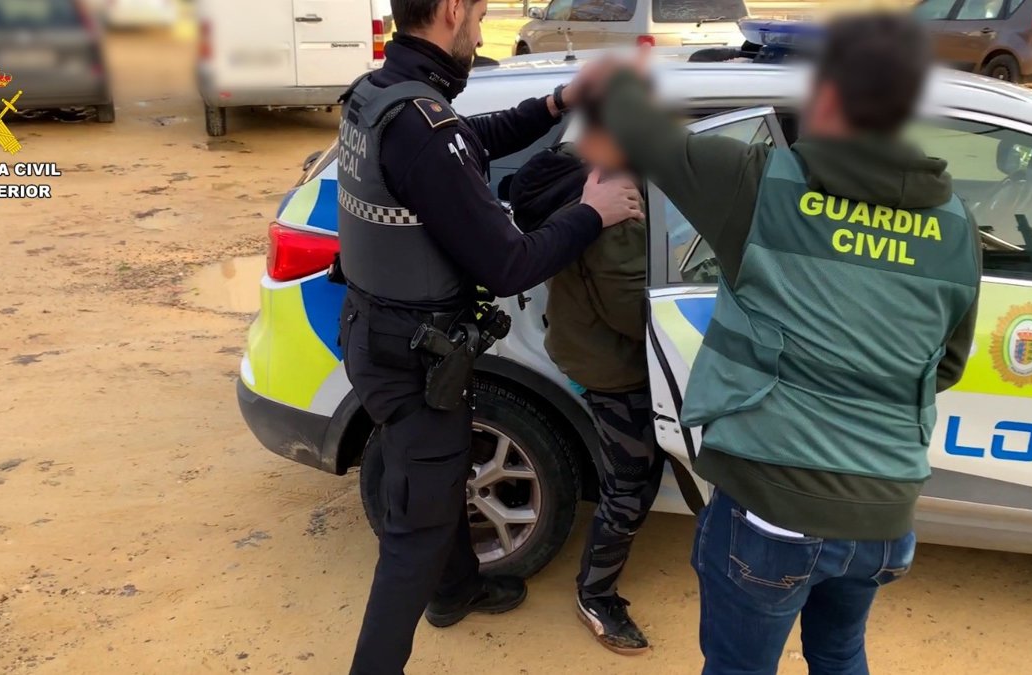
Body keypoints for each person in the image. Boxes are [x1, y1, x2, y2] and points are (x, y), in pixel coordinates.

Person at [585, 13, 982, 674]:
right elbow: (946, 364)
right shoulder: (956, 225)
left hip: (772, 511)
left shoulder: (757, 184)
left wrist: (621, 74)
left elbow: (634, 123)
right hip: (883, 518)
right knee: (839, 652)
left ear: (825, 96)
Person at [334, 0, 644, 672]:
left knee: (436, 475)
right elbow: (509, 265)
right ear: (451, 10)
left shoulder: (380, 94)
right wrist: (591, 212)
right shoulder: (420, 123)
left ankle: (456, 590)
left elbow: (466, 141)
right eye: (477, 14)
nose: (480, 30)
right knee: (414, 532)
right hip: (413, 356)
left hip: (379, 335)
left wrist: (556, 103)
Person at [507, 117, 660, 655]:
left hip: (579, 341)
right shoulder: (617, 202)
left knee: (631, 471)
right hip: (615, 364)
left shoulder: (574, 168)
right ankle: (596, 595)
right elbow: (633, 311)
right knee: (630, 482)